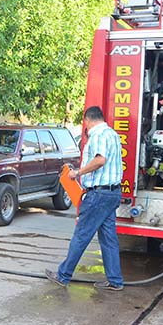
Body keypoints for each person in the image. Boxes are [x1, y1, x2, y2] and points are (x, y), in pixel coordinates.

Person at [45, 106, 124, 291]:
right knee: (108, 238)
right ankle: (115, 280)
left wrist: (77, 173)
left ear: (87, 120)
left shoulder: (97, 135)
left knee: (81, 235)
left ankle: (63, 275)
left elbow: (100, 160)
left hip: (98, 194)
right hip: (112, 193)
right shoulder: (112, 134)